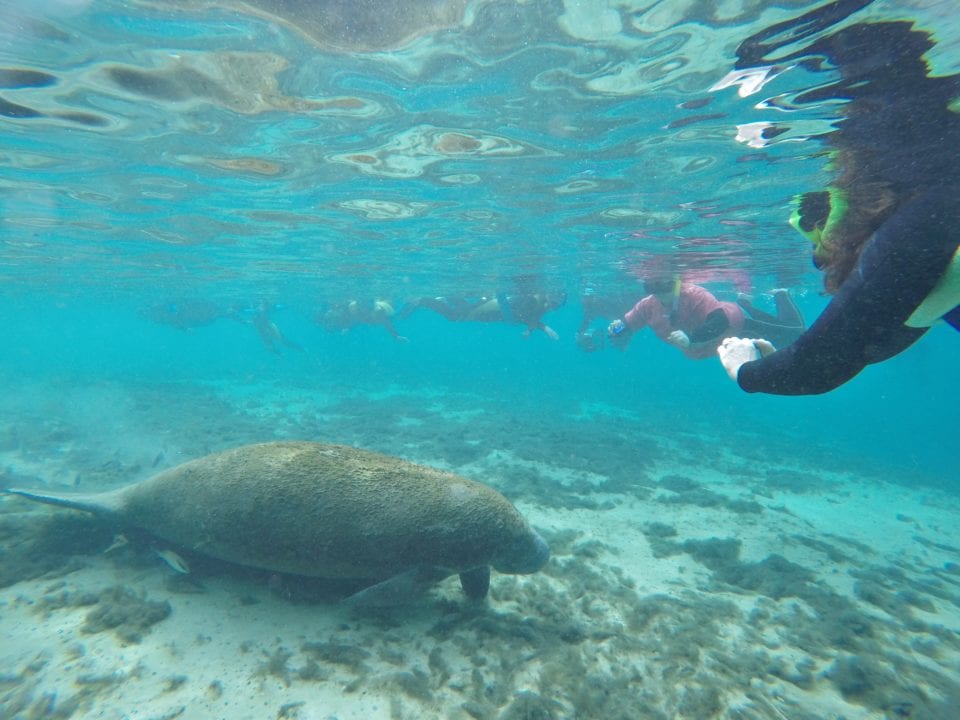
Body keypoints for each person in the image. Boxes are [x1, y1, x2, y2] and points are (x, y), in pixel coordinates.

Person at [714, 13, 960, 394]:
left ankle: (860, 35)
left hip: (881, 53)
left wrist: (743, 369)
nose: (820, 252)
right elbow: (870, 337)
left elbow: (823, 364)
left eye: (818, 231)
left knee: (870, 48)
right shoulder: (935, 244)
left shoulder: (930, 219)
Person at [607, 276, 803, 359]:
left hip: (738, 326)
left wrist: (691, 339)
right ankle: (746, 301)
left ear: (675, 283)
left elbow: (720, 321)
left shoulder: (693, 293)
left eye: (664, 286)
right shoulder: (648, 305)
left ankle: (780, 292)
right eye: (652, 287)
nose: (659, 294)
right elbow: (629, 323)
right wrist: (617, 330)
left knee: (795, 334)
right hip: (714, 346)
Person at [401, 290, 566, 340]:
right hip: (490, 311)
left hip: (490, 309)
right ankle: (422, 299)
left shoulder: (538, 304)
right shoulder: (533, 300)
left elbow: (526, 318)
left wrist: (536, 329)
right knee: (455, 316)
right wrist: (544, 329)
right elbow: (523, 317)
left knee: (465, 309)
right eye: (555, 301)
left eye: (558, 303)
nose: (555, 306)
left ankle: (449, 295)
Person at [317, 299, 408, 342]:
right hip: (374, 316)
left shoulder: (378, 312)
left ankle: (412, 302)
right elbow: (356, 320)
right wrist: (347, 328)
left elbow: (387, 323)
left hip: (390, 315)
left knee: (400, 316)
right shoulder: (354, 307)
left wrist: (396, 336)